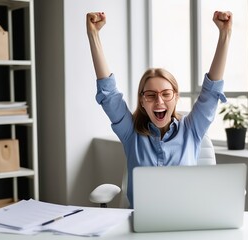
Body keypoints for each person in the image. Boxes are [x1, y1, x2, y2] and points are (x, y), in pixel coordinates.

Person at [86, 10, 232, 208]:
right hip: (140, 225)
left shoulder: (192, 130)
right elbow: (109, 94)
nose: (159, 102)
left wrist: (225, 34)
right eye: (151, 95)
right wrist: (93, 35)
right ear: (142, 101)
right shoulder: (131, 134)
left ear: (176, 97)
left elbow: (211, 93)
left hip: (184, 225)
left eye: (166, 93)